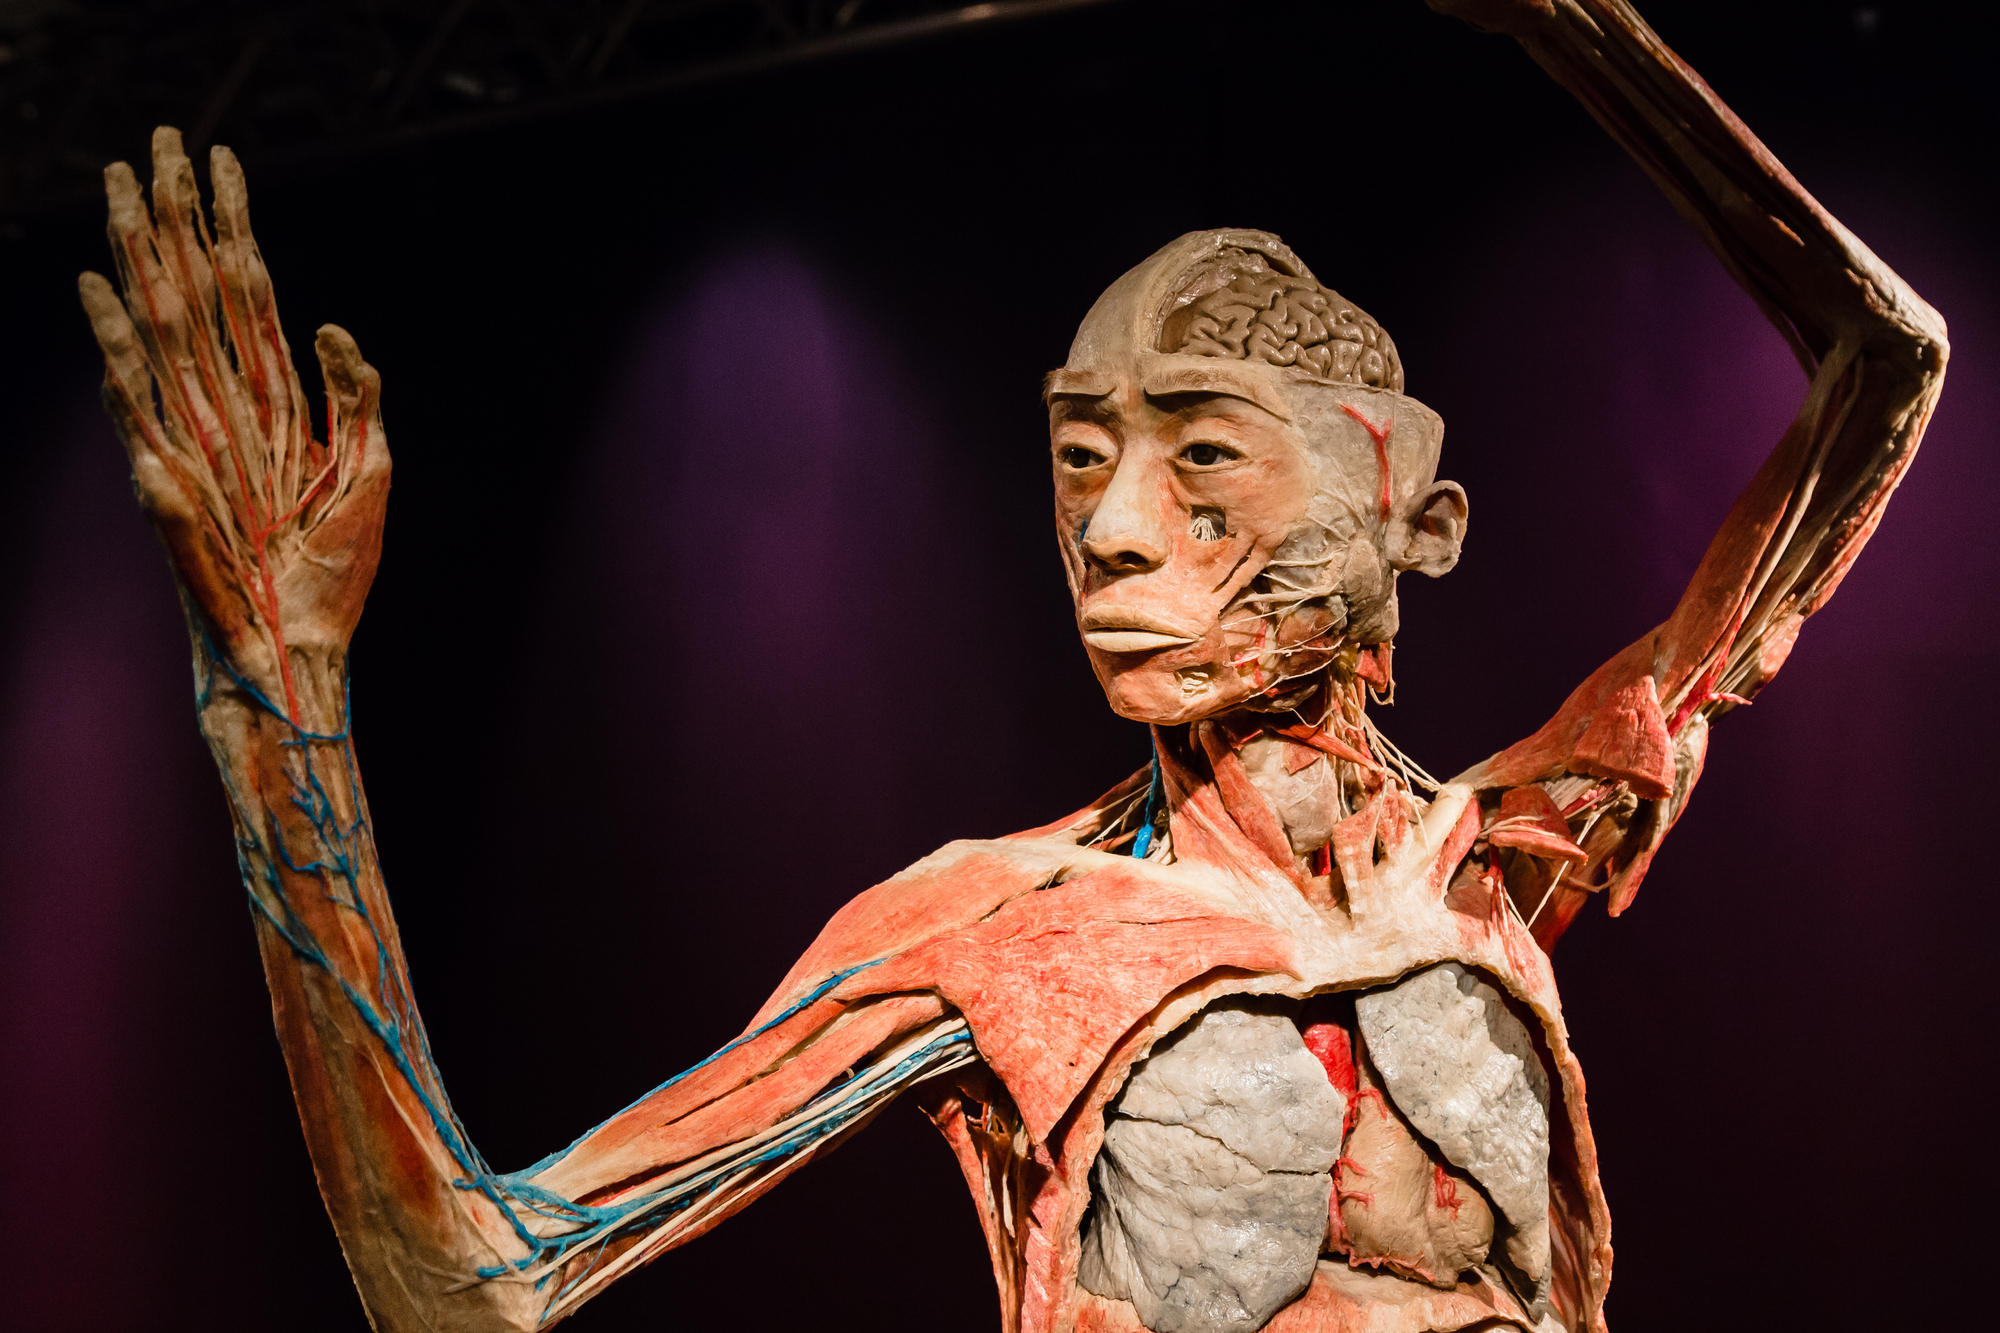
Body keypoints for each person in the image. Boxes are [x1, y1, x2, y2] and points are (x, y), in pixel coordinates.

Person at [74, 3, 1945, 1331]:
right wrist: (278, 686)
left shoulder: (1492, 861)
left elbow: (1885, 368)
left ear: (1410, 522)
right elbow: (472, 1275)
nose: (1115, 530)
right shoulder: (1000, 928)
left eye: (1200, 448)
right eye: (1076, 456)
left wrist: (1587, 36)